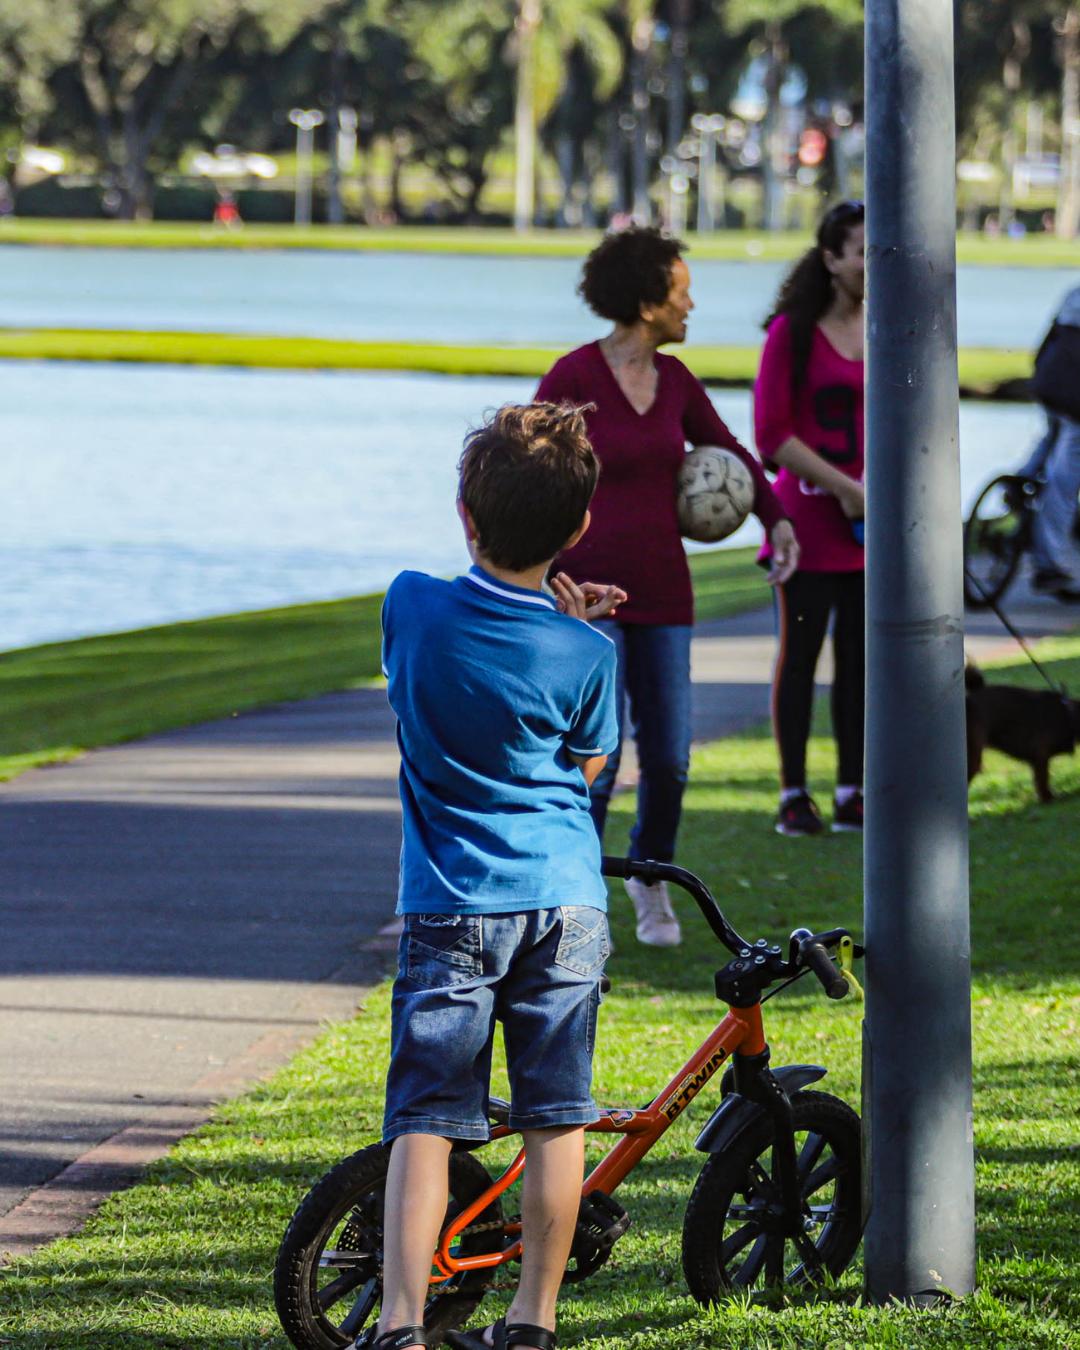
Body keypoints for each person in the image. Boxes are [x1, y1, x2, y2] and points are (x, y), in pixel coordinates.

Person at [372, 403, 626, 1350]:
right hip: (565, 899)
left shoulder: (411, 603)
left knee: (428, 1119)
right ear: (579, 529)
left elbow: (427, 668)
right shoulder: (590, 652)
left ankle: (401, 1322)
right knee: (557, 1116)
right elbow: (590, 767)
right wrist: (569, 627)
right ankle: (532, 1321)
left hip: (452, 903)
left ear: (465, 513)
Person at [536, 227, 798, 946]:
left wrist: (775, 520)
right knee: (599, 759)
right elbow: (528, 467)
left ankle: (652, 879)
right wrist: (534, 569)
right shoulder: (574, 378)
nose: (691, 302)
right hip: (583, 601)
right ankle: (578, 898)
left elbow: (732, 453)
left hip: (664, 593)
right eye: (681, 289)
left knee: (671, 756)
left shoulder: (677, 382)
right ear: (647, 299)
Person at [753, 200, 866, 837]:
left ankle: (852, 790)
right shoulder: (791, 333)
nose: (869, 263)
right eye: (858, 251)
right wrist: (845, 489)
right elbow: (771, 435)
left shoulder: (889, 325)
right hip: (808, 527)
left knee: (859, 662)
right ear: (831, 258)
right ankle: (794, 794)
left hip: (869, 529)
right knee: (800, 658)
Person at [1028, 284, 1080, 602]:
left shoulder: (1074, 294)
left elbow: (1048, 340)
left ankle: (1018, 481)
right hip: (1073, 397)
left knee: (1051, 437)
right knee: (1065, 482)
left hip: (1049, 383)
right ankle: (1051, 563)